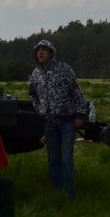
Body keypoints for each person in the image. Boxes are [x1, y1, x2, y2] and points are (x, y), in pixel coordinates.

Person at [28, 39, 87, 201]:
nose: (40, 52)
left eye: (44, 50)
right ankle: (57, 191)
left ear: (51, 52)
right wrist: (40, 110)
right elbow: (33, 95)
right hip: (49, 124)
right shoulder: (35, 73)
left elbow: (76, 92)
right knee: (53, 159)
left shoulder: (64, 69)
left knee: (66, 158)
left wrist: (80, 115)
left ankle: (69, 194)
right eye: (38, 50)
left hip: (67, 123)